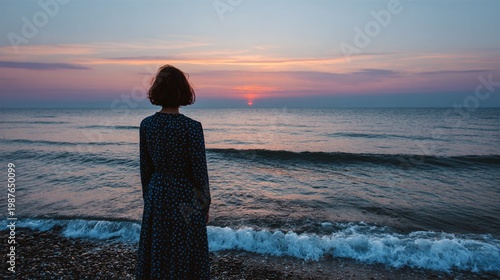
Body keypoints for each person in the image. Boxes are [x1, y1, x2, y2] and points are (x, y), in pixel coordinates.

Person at [135, 65, 211, 279]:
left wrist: (148, 199)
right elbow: (199, 172)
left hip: (156, 194)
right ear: (183, 92)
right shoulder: (192, 127)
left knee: (158, 250)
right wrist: (204, 205)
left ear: (157, 91)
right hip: (184, 195)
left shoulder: (147, 125)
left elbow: (145, 169)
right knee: (185, 251)